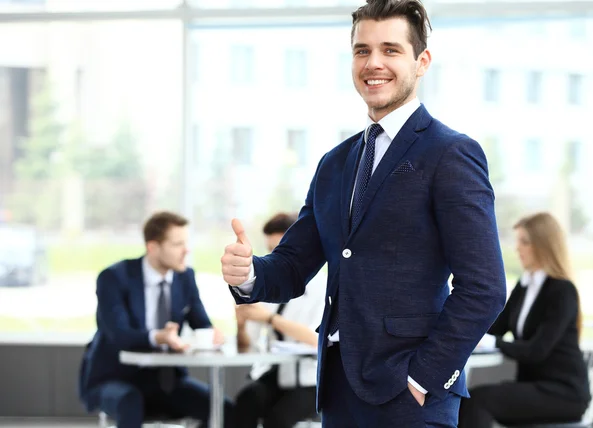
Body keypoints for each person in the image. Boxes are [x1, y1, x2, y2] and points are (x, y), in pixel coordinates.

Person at [221, 0, 507, 426]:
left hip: (411, 396)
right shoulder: (335, 163)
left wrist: (424, 377)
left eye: (390, 50)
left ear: (421, 60)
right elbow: (294, 264)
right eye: (362, 50)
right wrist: (248, 274)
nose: (373, 63)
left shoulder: (451, 153)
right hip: (339, 388)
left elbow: (484, 288)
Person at [78, 211, 234, 428]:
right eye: (177, 244)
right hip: (117, 378)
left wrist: (212, 334)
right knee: (130, 402)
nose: (186, 251)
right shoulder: (114, 278)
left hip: (167, 381)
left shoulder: (185, 277)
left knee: (225, 410)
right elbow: (118, 335)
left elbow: (201, 324)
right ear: (153, 247)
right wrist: (159, 337)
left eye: (186, 243)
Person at [458, 212, 591, 427]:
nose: (517, 248)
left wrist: (494, 343)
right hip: (534, 386)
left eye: (524, 242)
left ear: (544, 245)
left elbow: (537, 350)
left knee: (478, 401)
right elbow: (496, 327)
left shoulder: (562, 291)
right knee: (467, 399)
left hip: (563, 392)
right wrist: (464, 328)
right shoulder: (525, 286)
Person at [234, 212, 326, 428]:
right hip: (279, 375)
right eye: (270, 251)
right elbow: (248, 344)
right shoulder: (272, 287)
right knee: (247, 400)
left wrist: (270, 319)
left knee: (277, 419)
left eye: (279, 250)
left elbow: (316, 339)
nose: (274, 257)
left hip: (311, 381)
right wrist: (241, 323)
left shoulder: (323, 287)